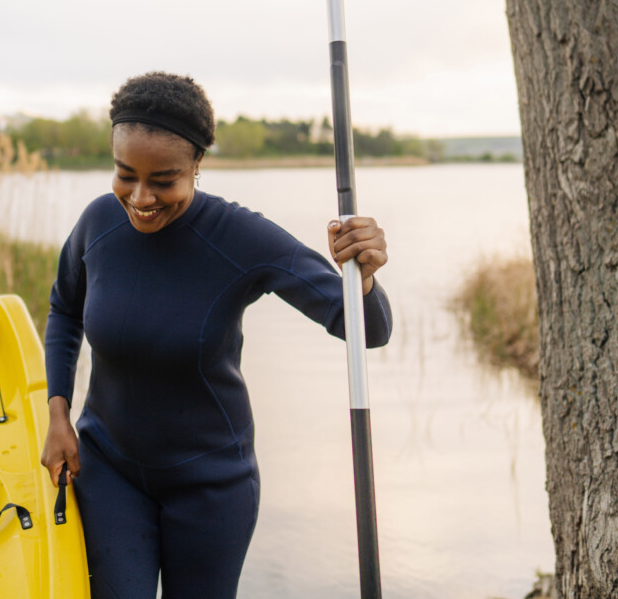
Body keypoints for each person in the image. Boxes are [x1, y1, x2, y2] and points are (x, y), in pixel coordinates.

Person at [39, 72, 392, 599]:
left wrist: (362, 276)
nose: (140, 197)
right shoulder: (97, 224)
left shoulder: (239, 237)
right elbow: (64, 310)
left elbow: (370, 330)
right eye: (125, 174)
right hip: (108, 468)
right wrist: (58, 414)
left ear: (197, 165)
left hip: (211, 486)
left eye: (164, 180)